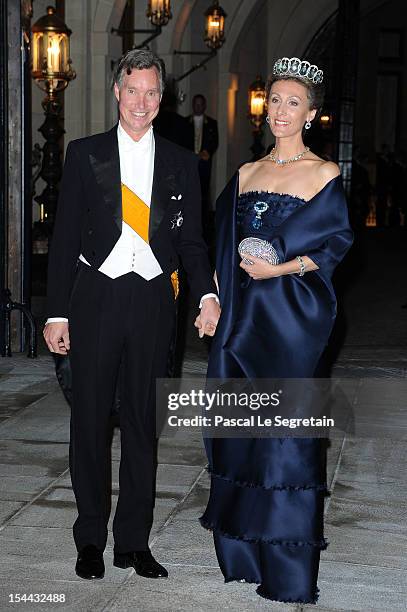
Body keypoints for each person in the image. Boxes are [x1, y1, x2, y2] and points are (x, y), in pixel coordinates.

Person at [44, 49, 220, 582]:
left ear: (160, 100)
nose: (141, 101)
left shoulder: (182, 162)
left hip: (151, 302)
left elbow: (192, 241)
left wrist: (208, 295)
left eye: (151, 92)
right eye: (132, 90)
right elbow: (64, 239)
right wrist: (56, 313)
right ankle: (91, 539)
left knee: (144, 425)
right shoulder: (84, 153)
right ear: (117, 92)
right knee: (90, 424)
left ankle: (133, 542)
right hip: (94, 298)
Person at [197, 57, 353, 603]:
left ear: (311, 113)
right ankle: (242, 553)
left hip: (291, 319)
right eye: (275, 101)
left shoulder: (324, 174)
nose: (281, 111)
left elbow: (332, 248)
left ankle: (287, 570)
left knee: (286, 437)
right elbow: (219, 246)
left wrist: (278, 267)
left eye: (293, 103)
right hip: (241, 321)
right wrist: (211, 298)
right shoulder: (245, 173)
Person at [186, 94, 219, 232]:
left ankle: (203, 223)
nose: (198, 107)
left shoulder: (211, 123)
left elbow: (215, 142)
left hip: (204, 163)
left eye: (200, 104)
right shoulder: (185, 122)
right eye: (196, 104)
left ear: (204, 106)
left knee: (203, 192)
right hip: (189, 162)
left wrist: (208, 152)